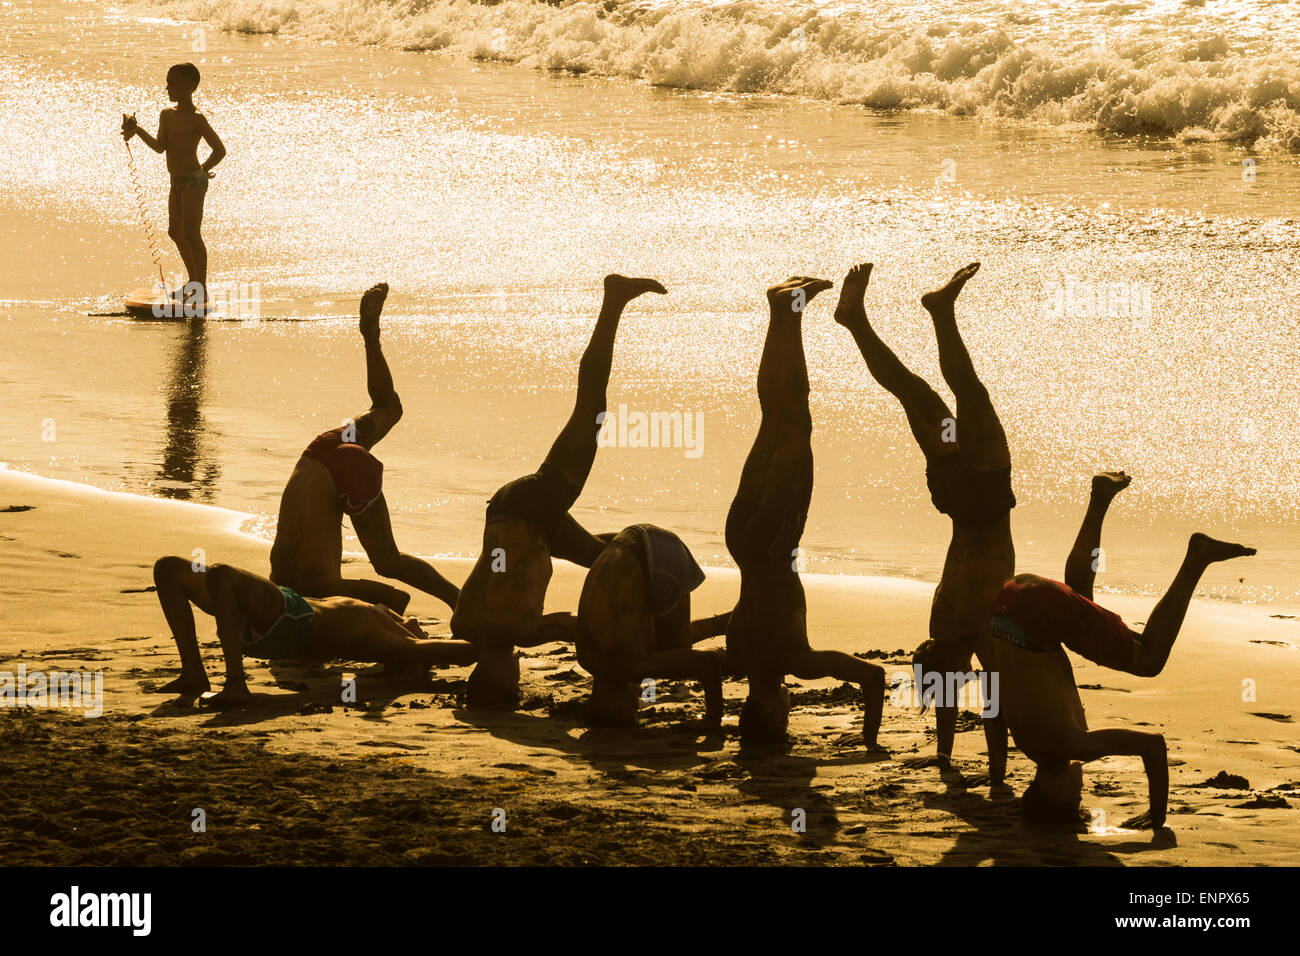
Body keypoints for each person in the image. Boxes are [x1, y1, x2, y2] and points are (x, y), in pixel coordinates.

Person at [982, 472, 1256, 828]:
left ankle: (1196, 558)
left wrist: (1156, 818)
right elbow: (993, 702)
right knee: (1080, 597)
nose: (1083, 790)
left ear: (1063, 792)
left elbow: (1152, 745)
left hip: (1038, 615)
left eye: (1077, 796)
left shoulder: (1067, 747)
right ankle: (1101, 498)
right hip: (1007, 606)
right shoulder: (1028, 743)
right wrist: (996, 777)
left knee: (1149, 659)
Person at [451, 274, 667, 708]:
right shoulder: (463, 625)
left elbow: (577, 627)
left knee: (591, 408)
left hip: (536, 508)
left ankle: (614, 301)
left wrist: (624, 656)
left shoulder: (525, 633)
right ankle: (643, 559)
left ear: (506, 679)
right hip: (511, 515)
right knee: (605, 559)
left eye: (511, 683)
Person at [834, 261, 1012, 778]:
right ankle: (868, 319)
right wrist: (971, 766)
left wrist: (975, 765)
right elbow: (983, 699)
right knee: (920, 394)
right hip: (958, 494)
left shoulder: (970, 625)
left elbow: (988, 699)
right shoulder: (947, 618)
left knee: (959, 395)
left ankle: (929, 313)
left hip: (982, 491)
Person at [725, 276, 887, 752]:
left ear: (775, 713)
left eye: (783, 720)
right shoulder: (737, 656)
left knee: (796, 416)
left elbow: (872, 678)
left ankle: (790, 312)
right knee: (773, 415)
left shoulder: (794, 659)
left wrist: (870, 742)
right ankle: (780, 312)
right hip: (738, 540)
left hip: (775, 541)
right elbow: (708, 661)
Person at [270, 282, 460, 615]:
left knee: (388, 563)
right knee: (389, 407)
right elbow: (395, 600)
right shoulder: (282, 581)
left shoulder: (314, 588)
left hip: (338, 468)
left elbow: (397, 601)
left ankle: (459, 601)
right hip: (321, 451)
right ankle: (371, 338)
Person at [150, 556, 477, 708]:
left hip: (287, 620)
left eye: (420, 630)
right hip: (264, 612)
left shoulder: (386, 640)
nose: (417, 623)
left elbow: (458, 651)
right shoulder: (384, 616)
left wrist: (495, 636)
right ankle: (193, 673)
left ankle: (236, 683)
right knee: (167, 568)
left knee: (221, 574)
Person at [576, 523, 730, 726]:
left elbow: (708, 661)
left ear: (622, 708)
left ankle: (728, 627)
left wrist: (712, 719)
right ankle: (723, 623)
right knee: (664, 650)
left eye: (631, 710)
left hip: (655, 556)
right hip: (627, 542)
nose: (636, 708)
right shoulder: (587, 658)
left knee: (678, 652)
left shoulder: (629, 667)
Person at [122, 62, 225, 310]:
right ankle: (194, 282)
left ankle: (201, 288)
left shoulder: (197, 119)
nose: (168, 87)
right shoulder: (166, 115)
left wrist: (202, 169)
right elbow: (160, 147)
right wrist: (136, 131)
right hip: (176, 182)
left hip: (193, 183)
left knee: (191, 233)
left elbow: (219, 150)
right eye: (168, 82)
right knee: (175, 232)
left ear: (190, 87)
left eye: (174, 83)